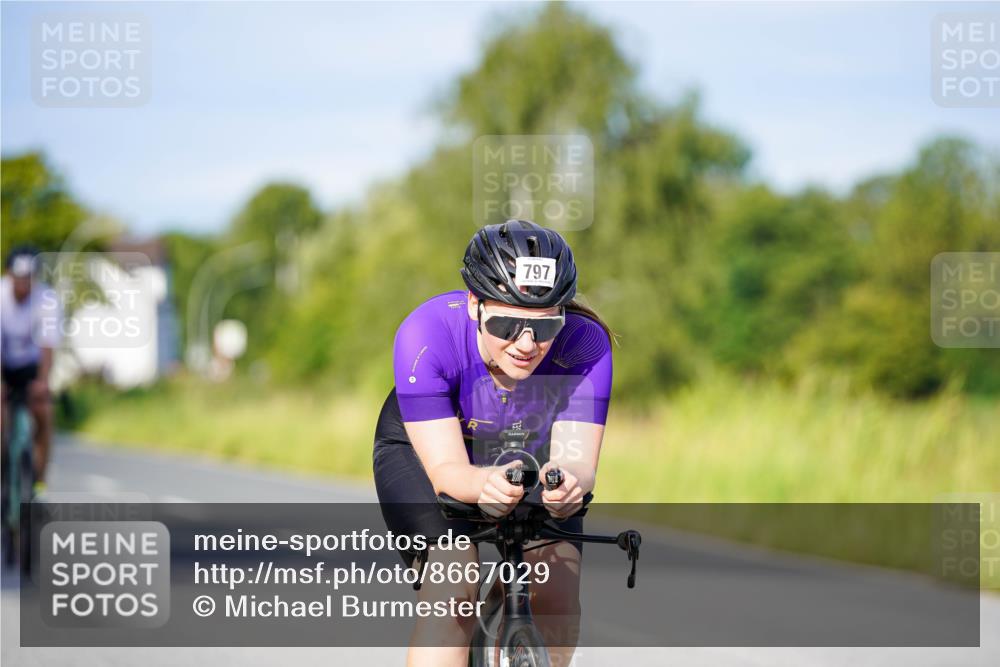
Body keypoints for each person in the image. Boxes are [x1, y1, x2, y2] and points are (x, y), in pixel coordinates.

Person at [373, 219, 614, 667]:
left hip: (528, 448)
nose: (526, 344)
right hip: (434, 449)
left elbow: (577, 461)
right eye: (506, 324)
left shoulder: (584, 344)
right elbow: (448, 474)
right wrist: (484, 485)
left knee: (557, 597)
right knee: (455, 589)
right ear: (474, 304)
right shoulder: (426, 335)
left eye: (545, 328)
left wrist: (567, 487)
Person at [1, 245, 62, 495]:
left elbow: (47, 344)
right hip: (4, 364)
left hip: (31, 366)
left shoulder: (46, 299)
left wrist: (42, 381)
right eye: (19, 278)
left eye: (29, 278)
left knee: (44, 411)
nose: (24, 284)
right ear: (9, 275)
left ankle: (39, 480)